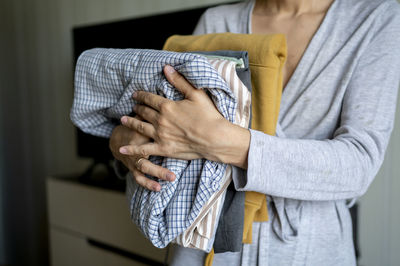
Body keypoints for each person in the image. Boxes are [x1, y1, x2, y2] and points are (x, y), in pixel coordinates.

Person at [109, 0, 400, 265]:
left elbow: (358, 164)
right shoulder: (217, 21)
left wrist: (219, 142)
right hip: (202, 244)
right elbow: (168, 126)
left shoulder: (376, 19)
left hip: (309, 248)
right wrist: (124, 143)